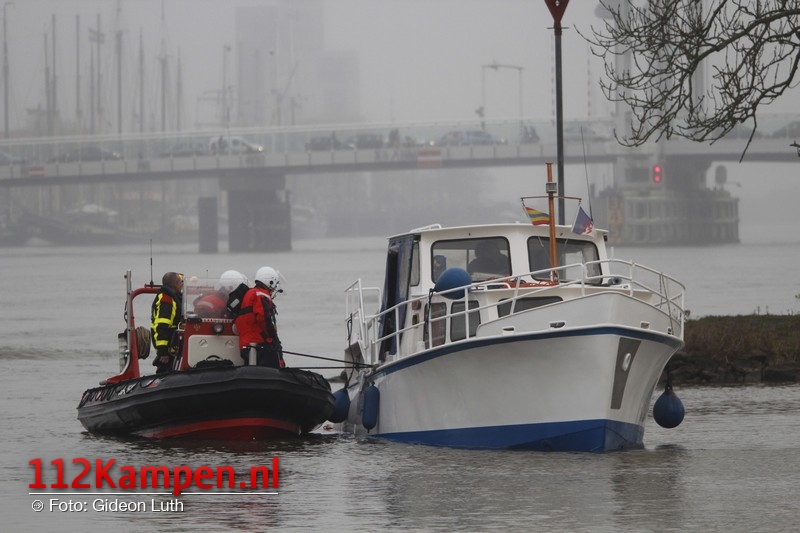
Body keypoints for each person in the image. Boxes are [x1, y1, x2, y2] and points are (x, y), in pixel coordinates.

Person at [234, 266, 285, 368]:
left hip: (247, 344)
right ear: (270, 281)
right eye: (275, 284)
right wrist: (272, 338)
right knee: (272, 368)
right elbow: (264, 319)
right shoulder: (260, 295)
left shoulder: (250, 293)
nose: (275, 288)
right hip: (259, 346)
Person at [151, 272, 184, 374]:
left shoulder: (174, 297)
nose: (182, 284)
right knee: (165, 371)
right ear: (175, 284)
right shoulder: (167, 300)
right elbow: (162, 326)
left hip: (174, 345)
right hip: (168, 348)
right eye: (181, 282)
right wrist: (163, 352)